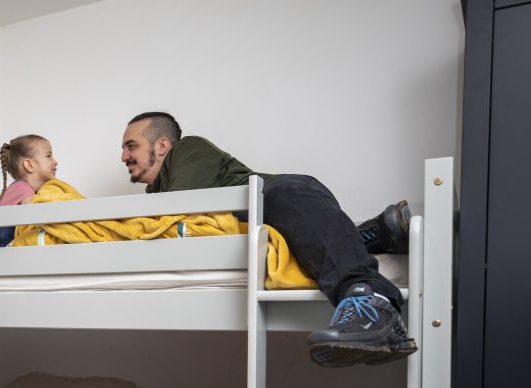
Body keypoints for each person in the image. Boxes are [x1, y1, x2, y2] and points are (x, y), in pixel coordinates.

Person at [120, 112, 416, 368]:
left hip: (280, 195)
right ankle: (374, 234)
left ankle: (371, 302)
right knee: (302, 238)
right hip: (279, 220)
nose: (123, 156)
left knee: (284, 201)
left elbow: (184, 206)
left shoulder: (187, 149)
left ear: (162, 145)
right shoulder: (155, 195)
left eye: (131, 146)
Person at [0, 134, 58, 248]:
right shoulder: (21, 188)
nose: (55, 161)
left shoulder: (32, 190)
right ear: (29, 165)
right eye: (48, 156)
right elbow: (35, 213)